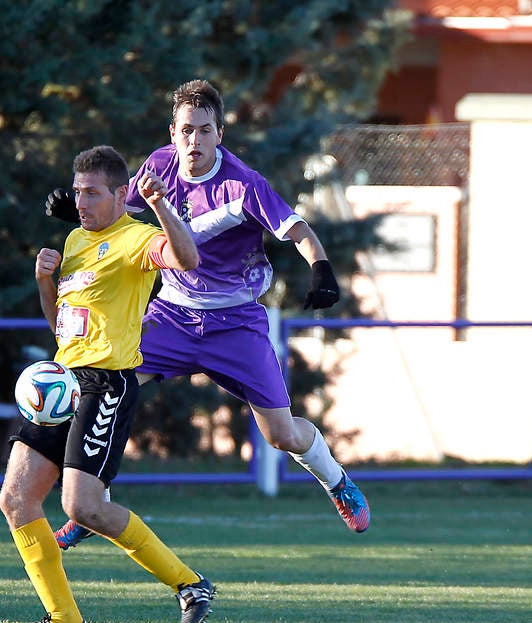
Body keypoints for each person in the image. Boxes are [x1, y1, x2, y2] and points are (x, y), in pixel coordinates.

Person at [47, 79, 370, 551]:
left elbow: (296, 229)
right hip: (172, 315)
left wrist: (320, 268)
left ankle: (337, 480)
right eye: (185, 131)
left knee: (281, 434)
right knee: (98, 387)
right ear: (172, 132)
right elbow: (119, 212)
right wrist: (71, 210)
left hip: (234, 322)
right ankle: (92, 504)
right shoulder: (158, 165)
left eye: (203, 130)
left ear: (220, 133)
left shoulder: (243, 183)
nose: (193, 141)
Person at [0, 145, 215, 623]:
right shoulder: (74, 239)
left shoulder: (138, 239)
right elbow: (59, 326)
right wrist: (43, 280)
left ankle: (190, 584)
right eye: (77, 191)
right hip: (62, 383)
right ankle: (66, 622)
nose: (81, 202)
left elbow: (187, 257)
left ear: (122, 194)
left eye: (92, 193)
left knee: (84, 508)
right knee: (15, 500)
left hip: (105, 386)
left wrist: (160, 204)